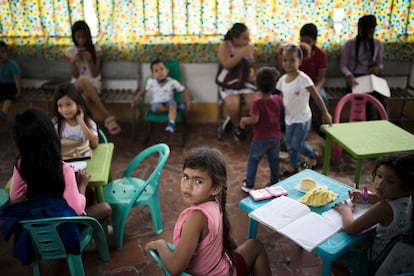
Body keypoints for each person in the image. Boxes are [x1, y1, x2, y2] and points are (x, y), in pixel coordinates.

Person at [145, 147, 272, 275]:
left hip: (221, 272)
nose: (188, 185)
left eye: (198, 181)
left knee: (254, 245)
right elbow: (224, 238)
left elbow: (175, 268)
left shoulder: (196, 218)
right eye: (185, 177)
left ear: (215, 188)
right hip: (222, 270)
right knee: (256, 245)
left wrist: (161, 244)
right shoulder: (215, 204)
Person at [10, 108, 111, 221]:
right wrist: (81, 186)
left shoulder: (21, 165)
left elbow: (15, 197)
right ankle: (88, 236)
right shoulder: (63, 169)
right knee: (105, 208)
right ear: (51, 135)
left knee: (90, 194)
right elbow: (76, 210)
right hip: (63, 226)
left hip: (36, 224)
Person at [332, 153, 414, 275]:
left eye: (390, 181)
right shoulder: (408, 198)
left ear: (407, 187)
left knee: (334, 261)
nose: (380, 184)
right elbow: (383, 197)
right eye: (379, 176)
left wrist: (345, 210)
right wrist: (365, 197)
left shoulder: (384, 208)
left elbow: (350, 228)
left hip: (376, 263)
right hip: (399, 260)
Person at [276, 43, 332, 176]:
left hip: (303, 119)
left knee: (296, 143)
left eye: (292, 60)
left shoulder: (304, 79)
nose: (288, 63)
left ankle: (313, 154)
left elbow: (317, 97)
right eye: (285, 60)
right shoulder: (282, 80)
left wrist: (325, 113)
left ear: (300, 61)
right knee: (290, 143)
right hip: (289, 119)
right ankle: (295, 166)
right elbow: (280, 99)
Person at [64, 20, 121, 135]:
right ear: (74, 37)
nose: (81, 40)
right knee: (82, 80)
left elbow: (95, 74)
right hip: (76, 84)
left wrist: (90, 60)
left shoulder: (96, 50)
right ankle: (107, 115)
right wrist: (72, 62)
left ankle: (84, 130)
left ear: (88, 36)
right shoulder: (70, 52)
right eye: (78, 37)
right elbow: (75, 76)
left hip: (93, 84)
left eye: (83, 37)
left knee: (84, 98)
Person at [239, 67, 282, 192]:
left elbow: (255, 119)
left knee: (253, 159)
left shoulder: (257, 103)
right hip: (275, 136)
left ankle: (249, 183)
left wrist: (244, 120)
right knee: (274, 160)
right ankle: (275, 181)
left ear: (257, 85)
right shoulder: (277, 99)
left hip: (261, 137)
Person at [340, 15, 386, 120]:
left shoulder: (378, 44)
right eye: (368, 31)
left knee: (382, 102)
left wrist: (378, 68)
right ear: (360, 29)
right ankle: (365, 127)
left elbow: (380, 63)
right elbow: (343, 66)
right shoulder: (349, 45)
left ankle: (384, 125)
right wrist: (349, 75)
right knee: (366, 103)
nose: (370, 34)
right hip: (355, 79)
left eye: (372, 31)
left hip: (371, 78)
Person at [218, 22, 258, 141]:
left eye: (248, 37)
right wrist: (241, 54)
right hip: (229, 82)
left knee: (253, 102)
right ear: (235, 39)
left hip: (245, 82)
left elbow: (255, 66)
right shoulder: (225, 45)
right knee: (233, 103)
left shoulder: (250, 47)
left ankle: (235, 119)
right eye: (244, 38)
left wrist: (254, 75)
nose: (248, 40)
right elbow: (226, 64)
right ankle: (237, 127)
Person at [133, 59, 191, 133]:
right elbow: (144, 89)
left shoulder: (172, 82)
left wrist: (188, 101)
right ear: (153, 74)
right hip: (156, 103)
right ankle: (176, 109)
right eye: (156, 71)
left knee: (172, 104)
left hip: (169, 101)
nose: (160, 72)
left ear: (167, 70)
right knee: (158, 108)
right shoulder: (151, 82)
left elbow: (183, 90)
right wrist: (138, 96)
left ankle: (171, 124)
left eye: (162, 69)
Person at [51, 82, 98, 160]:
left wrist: (81, 122)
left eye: (68, 104)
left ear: (78, 104)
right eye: (60, 105)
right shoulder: (56, 123)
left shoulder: (88, 122)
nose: (64, 110)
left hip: (85, 161)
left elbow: (94, 144)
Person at [299, 23, 329, 135]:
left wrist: (316, 89)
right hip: (299, 83)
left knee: (323, 98)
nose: (305, 44)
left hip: (314, 84)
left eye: (308, 41)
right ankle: (285, 126)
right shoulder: (297, 52)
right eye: (302, 40)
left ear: (314, 41)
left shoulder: (321, 54)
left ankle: (322, 127)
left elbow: (322, 78)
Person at [0, 41, 21, 122]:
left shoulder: (12, 64)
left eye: (3, 52)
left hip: (10, 84)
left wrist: (19, 92)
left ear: (7, 53)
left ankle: (4, 112)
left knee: (9, 95)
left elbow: (17, 79)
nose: (0, 54)